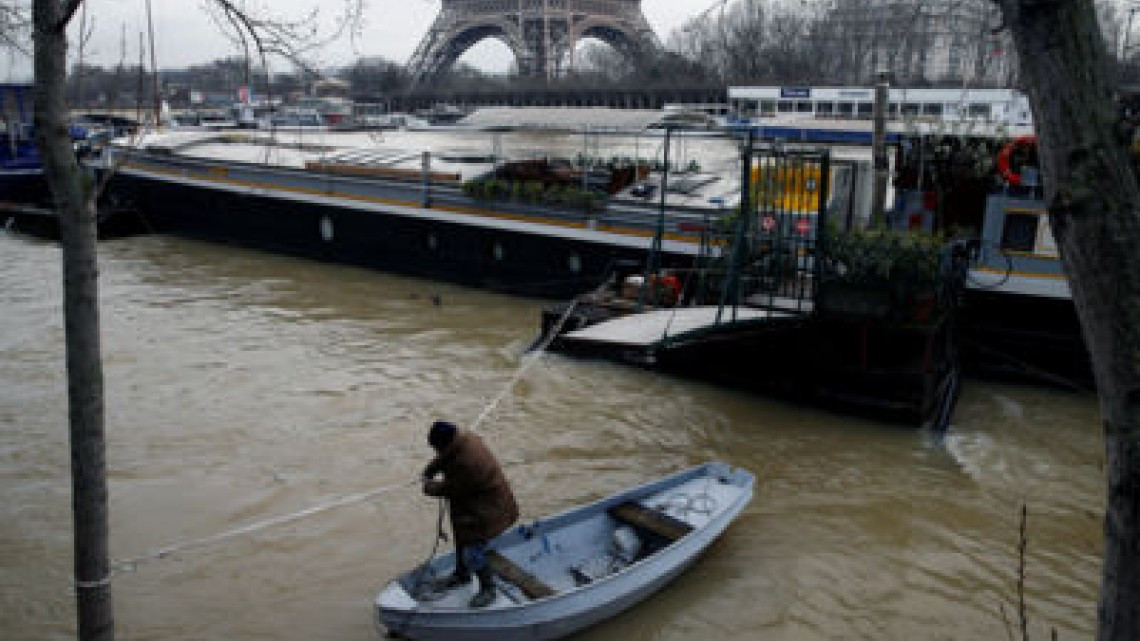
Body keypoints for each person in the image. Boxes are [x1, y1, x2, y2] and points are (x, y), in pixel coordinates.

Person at [421, 420, 519, 608]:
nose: (436, 452)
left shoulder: (467, 463)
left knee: (472, 548)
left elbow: (451, 488)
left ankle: (488, 589)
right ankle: (461, 575)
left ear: (444, 444)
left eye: (436, 448)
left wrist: (428, 486)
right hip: (473, 501)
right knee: (461, 536)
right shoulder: (462, 437)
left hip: (490, 509)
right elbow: (444, 456)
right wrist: (429, 470)